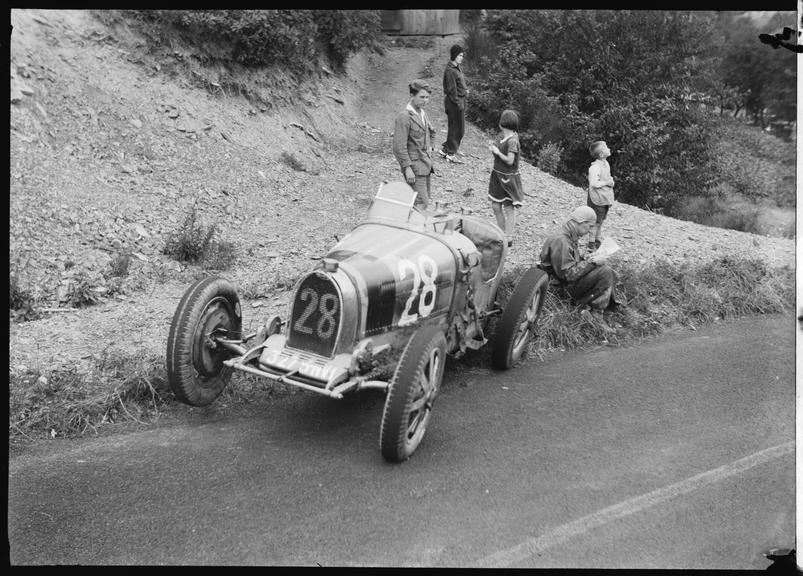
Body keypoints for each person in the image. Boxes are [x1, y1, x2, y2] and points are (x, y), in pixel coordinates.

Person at [539, 205, 622, 312]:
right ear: (582, 222)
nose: (590, 231)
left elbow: (570, 263)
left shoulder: (567, 235)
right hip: (560, 288)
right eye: (590, 226)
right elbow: (568, 274)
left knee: (606, 270)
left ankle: (602, 305)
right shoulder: (562, 241)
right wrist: (592, 262)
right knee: (605, 272)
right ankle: (595, 311)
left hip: (562, 283)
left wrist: (585, 258)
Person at [392, 79, 437, 210]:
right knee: (420, 203)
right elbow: (398, 146)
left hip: (425, 165)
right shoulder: (404, 116)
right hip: (414, 168)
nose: (425, 100)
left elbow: (432, 132)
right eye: (422, 97)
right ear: (412, 96)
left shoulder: (422, 113)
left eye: (427, 97)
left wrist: (430, 150)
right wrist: (407, 168)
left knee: (423, 201)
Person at [487, 109, 523, 246]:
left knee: (509, 208)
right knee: (496, 205)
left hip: (508, 179)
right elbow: (496, 144)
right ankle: (501, 233)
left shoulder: (513, 141)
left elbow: (510, 161)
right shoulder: (502, 136)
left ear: (501, 123)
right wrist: (493, 146)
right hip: (497, 176)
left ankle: (508, 237)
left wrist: (497, 152)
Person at [438, 44, 467, 163]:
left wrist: (465, 90)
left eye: (462, 55)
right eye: (460, 55)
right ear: (454, 55)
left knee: (454, 128)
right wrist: (458, 103)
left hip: (459, 101)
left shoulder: (456, 68)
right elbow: (451, 90)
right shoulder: (450, 70)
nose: (462, 58)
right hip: (454, 103)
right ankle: (451, 153)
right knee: (458, 129)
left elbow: (458, 85)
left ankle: (446, 150)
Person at [587, 140, 615, 251]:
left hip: (604, 198)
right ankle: (591, 244)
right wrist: (606, 183)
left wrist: (610, 181)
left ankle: (597, 241)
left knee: (601, 221)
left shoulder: (605, 164)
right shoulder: (595, 167)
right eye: (606, 147)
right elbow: (593, 183)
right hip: (597, 198)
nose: (609, 148)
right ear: (601, 154)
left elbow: (606, 177)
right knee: (595, 221)